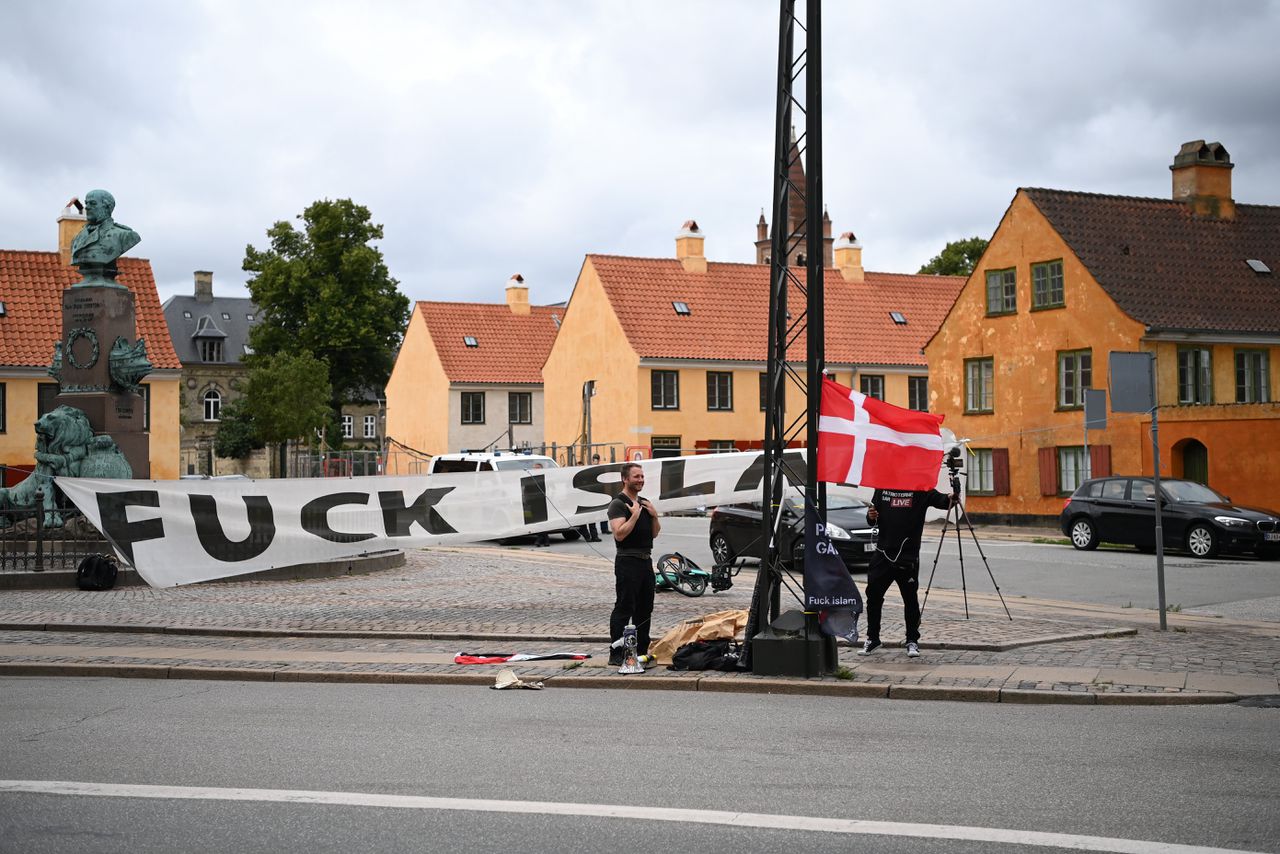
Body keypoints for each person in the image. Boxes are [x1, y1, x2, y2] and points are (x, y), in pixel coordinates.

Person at [860, 485, 955, 657]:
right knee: (873, 597)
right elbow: (873, 518)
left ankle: (912, 640)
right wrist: (870, 516)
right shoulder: (882, 487)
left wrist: (953, 496)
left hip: (907, 554)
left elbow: (943, 501)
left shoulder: (920, 488)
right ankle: (873, 639)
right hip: (882, 554)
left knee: (910, 599)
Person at [606, 462, 661, 665]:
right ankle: (616, 652)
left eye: (642, 476)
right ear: (625, 479)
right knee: (624, 607)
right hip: (627, 561)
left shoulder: (645, 502)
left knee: (645, 608)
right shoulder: (618, 504)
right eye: (636, 477)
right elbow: (619, 534)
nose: (640, 480)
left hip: (646, 561)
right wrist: (635, 515)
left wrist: (654, 515)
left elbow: (654, 533)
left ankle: (640, 650)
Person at [70, 189, 141, 285]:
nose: (87, 207)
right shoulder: (77, 239)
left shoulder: (123, 235)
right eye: (86, 203)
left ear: (107, 207)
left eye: (93, 203)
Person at [531, 463, 551, 547]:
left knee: (542, 521)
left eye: (538, 468)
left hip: (543, 503)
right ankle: (546, 540)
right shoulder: (531, 478)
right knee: (537, 522)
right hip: (533, 502)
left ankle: (539, 539)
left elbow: (550, 488)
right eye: (535, 468)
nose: (536, 469)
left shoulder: (545, 477)